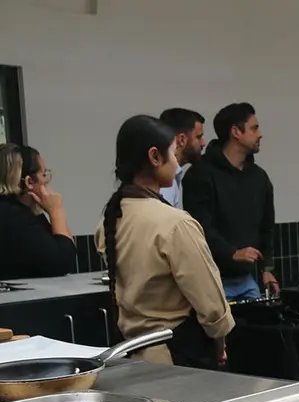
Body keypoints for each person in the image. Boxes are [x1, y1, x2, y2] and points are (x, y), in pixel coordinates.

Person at [95, 115, 234, 367]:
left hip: (132, 352)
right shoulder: (175, 224)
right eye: (173, 153)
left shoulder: (111, 217)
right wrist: (220, 340)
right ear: (155, 157)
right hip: (175, 356)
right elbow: (209, 301)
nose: (177, 165)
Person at [183, 102, 279, 300]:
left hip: (246, 279)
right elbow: (201, 227)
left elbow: (267, 227)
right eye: (254, 128)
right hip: (211, 280)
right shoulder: (200, 175)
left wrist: (267, 269)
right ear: (236, 132)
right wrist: (231, 253)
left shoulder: (259, 177)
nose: (260, 134)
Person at [0, 144, 77, 280]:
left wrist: (37, 210)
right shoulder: (15, 218)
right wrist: (56, 211)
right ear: (29, 182)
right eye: (44, 175)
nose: (46, 182)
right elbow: (62, 262)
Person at [157, 108, 205, 209]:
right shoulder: (164, 182)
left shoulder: (168, 175)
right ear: (182, 139)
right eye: (199, 137)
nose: (203, 143)